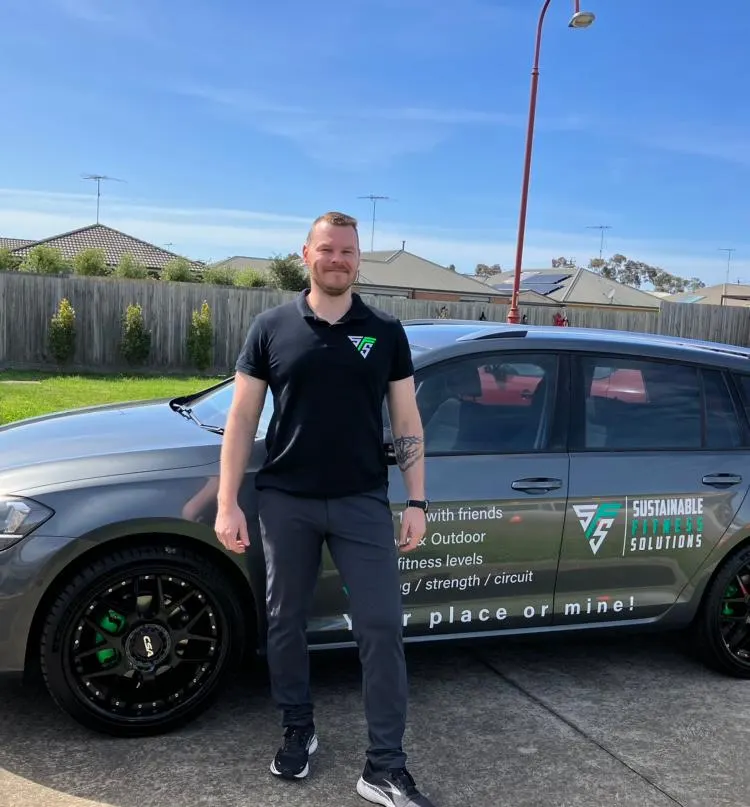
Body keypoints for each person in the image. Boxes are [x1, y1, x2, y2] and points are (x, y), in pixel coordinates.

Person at [214, 211, 437, 807]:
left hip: (363, 498)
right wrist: (227, 501)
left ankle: (385, 766)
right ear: (305, 254)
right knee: (284, 621)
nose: (338, 259)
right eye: (327, 249)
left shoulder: (385, 330)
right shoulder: (271, 326)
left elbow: (407, 420)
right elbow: (241, 419)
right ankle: (297, 729)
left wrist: (416, 499)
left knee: (382, 626)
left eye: (349, 251)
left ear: (360, 259)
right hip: (286, 499)